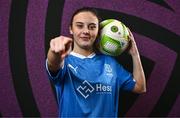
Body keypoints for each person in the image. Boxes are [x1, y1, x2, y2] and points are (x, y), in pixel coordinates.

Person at [46, 7, 146, 117]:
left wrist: (135, 54)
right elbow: (53, 63)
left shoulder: (110, 63)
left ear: (98, 31)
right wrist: (54, 50)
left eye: (92, 27)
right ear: (71, 29)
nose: (86, 31)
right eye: (79, 26)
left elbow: (140, 87)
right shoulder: (65, 61)